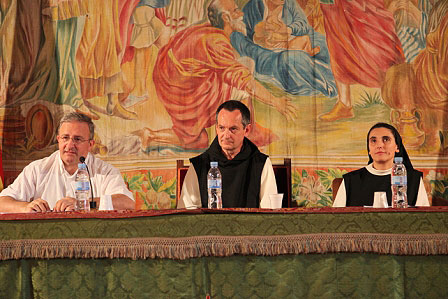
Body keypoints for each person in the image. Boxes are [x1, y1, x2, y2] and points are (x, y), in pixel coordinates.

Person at [145, 0, 297, 150]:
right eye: (236, 10)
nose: (241, 14)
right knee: (243, 72)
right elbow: (245, 82)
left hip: (175, 83)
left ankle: (150, 136)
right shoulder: (216, 41)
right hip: (183, 92)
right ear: (226, 18)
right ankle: (246, 134)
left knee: (199, 140)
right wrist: (276, 101)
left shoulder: (207, 30)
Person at [0, 112, 135, 213]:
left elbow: (127, 203)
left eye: (77, 139)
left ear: (90, 144)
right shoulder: (37, 169)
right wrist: (25, 207)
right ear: (58, 140)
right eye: (65, 138)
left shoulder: (105, 171)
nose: (69, 145)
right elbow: (2, 202)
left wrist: (84, 204)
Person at [178, 101, 278, 208]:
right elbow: (187, 214)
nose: (226, 135)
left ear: (247, 130)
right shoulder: (199, 165)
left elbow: (270, 213)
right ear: (216, 128)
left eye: (233, 129)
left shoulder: (261, 164)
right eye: (221, 128)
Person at [333, 122, 429, 207]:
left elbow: (423, 220)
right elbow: (336, 219)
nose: (380, 145)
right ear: (369, 149)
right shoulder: (350, 181)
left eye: (386, 139)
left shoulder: (414, 179)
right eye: (374, 141)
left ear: (397, 147)